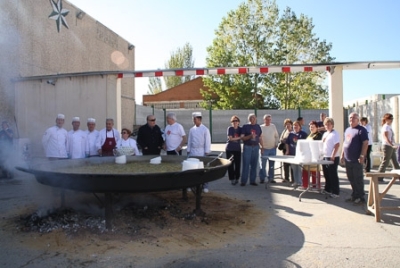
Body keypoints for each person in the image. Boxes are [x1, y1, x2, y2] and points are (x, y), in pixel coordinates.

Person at [340, 112, 368, 204]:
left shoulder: (361, 130)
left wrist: (362, 155)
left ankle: (360, 197)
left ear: (358, 119)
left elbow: (365, 143)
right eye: (350, 118)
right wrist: (342, 154)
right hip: (348, 159)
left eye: (354, 118)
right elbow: (345, 143)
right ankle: (354, 195)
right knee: (351, 177)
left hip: (357, 159)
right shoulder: (348, 130)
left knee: (358, 178)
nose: (351, 119)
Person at [187, 112, 211, 192]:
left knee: (203, 170)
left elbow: (207, 141)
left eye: (195, 119)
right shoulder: (191, 129)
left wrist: (207, 151)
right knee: (192, 169)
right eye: (193, 119)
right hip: (193, 151)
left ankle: (205, 186)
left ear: (199, 119)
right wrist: (188, 150)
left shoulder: (205, 129)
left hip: (201, 151)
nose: (194, 120)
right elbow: (190, 140)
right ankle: (191, 185)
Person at [240, 113, 262, 187]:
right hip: (248, 147)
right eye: (251, 118)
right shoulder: (245, 126)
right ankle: (243, 181)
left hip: (256, 147)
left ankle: (252, 181)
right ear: (249, 119)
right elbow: (242, 137)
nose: (253, 119)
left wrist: (262, 146)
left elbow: (260, 137)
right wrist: (250, 136)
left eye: (254, 118)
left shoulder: (258, 126)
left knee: (254, 165)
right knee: (246, 164)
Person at [377, 113, 400, 182]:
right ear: (386, 119)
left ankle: (399, 176)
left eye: (392, 119)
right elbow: (386, 137)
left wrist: (393, 144)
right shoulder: (386, 127)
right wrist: (391, 145)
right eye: (390, 119)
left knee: (395, 161)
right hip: (387, 146)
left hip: (390, 146)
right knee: (385, 161)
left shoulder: (389, 127)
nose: (391, 120)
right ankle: (379, 177)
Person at [321, 117, 341, 198]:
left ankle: (335, 192)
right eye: (326, 124)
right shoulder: (325, 133)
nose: (327, 126)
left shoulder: (335, 134)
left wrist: (333, 155)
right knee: (326, 174)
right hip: (325, 156)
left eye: (329, 124)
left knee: (333, 175)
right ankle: (328, 189)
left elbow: (337, 145)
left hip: (332, 157)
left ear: (332, 125)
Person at [285, 120, 307, 188]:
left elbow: (306, 143)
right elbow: (287, 143)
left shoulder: (303, 134)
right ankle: (296, 181)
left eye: (297, 125)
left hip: (300, 155)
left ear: (300, 127)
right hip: (292, 154)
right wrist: (287, 151)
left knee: (299, 168)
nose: (295, 127)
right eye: (294, 125)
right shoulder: (291, 134)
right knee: (294, 168)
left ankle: (300, 182)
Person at [301, 120, 323, 189]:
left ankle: (315, 185)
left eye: (313, 127)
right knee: (305, 171)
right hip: (307, 156)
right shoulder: (309, 135)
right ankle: (305, 185)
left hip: (315, 157)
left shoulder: (319, 135)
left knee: (315, 172)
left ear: (317, 127)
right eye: (310, 127)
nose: (311, 128)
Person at [259, 114, 279, 184]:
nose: (268, 121)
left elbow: (276, 136)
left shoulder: (273, 126)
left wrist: (276, 144)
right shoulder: (261, 127)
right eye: (267, 119)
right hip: (264, 149)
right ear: (264, 120)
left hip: (272, 149)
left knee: (272, 165)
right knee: (263, 165)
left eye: (269, 119)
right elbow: (259, 138)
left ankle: (271, 178)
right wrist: (261, 147)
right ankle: (262, 178)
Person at [225, 115, 242, 185]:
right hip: (230, 149)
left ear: (238, 122)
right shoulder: (230, 129)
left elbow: (244, 136)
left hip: (237, 149)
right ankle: (232, 178)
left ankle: (237, 178)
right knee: (230, 164)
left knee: (237, 164)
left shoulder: (240, 129)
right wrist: (240, 137)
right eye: (233, 121)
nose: (235, 122)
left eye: (236, 121)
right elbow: (231, 138)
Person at [279, 119, 294, 183]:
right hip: (285, 149)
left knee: (292, 165)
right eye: (286, 124)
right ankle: (286, 178)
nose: (287, 126)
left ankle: (293, 179)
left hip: (292, 149)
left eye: (289, 124)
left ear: (291, 125)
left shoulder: (293, 132)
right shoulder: (284, 131)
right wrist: (282, 141)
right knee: (285, 164)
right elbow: (281, 138)